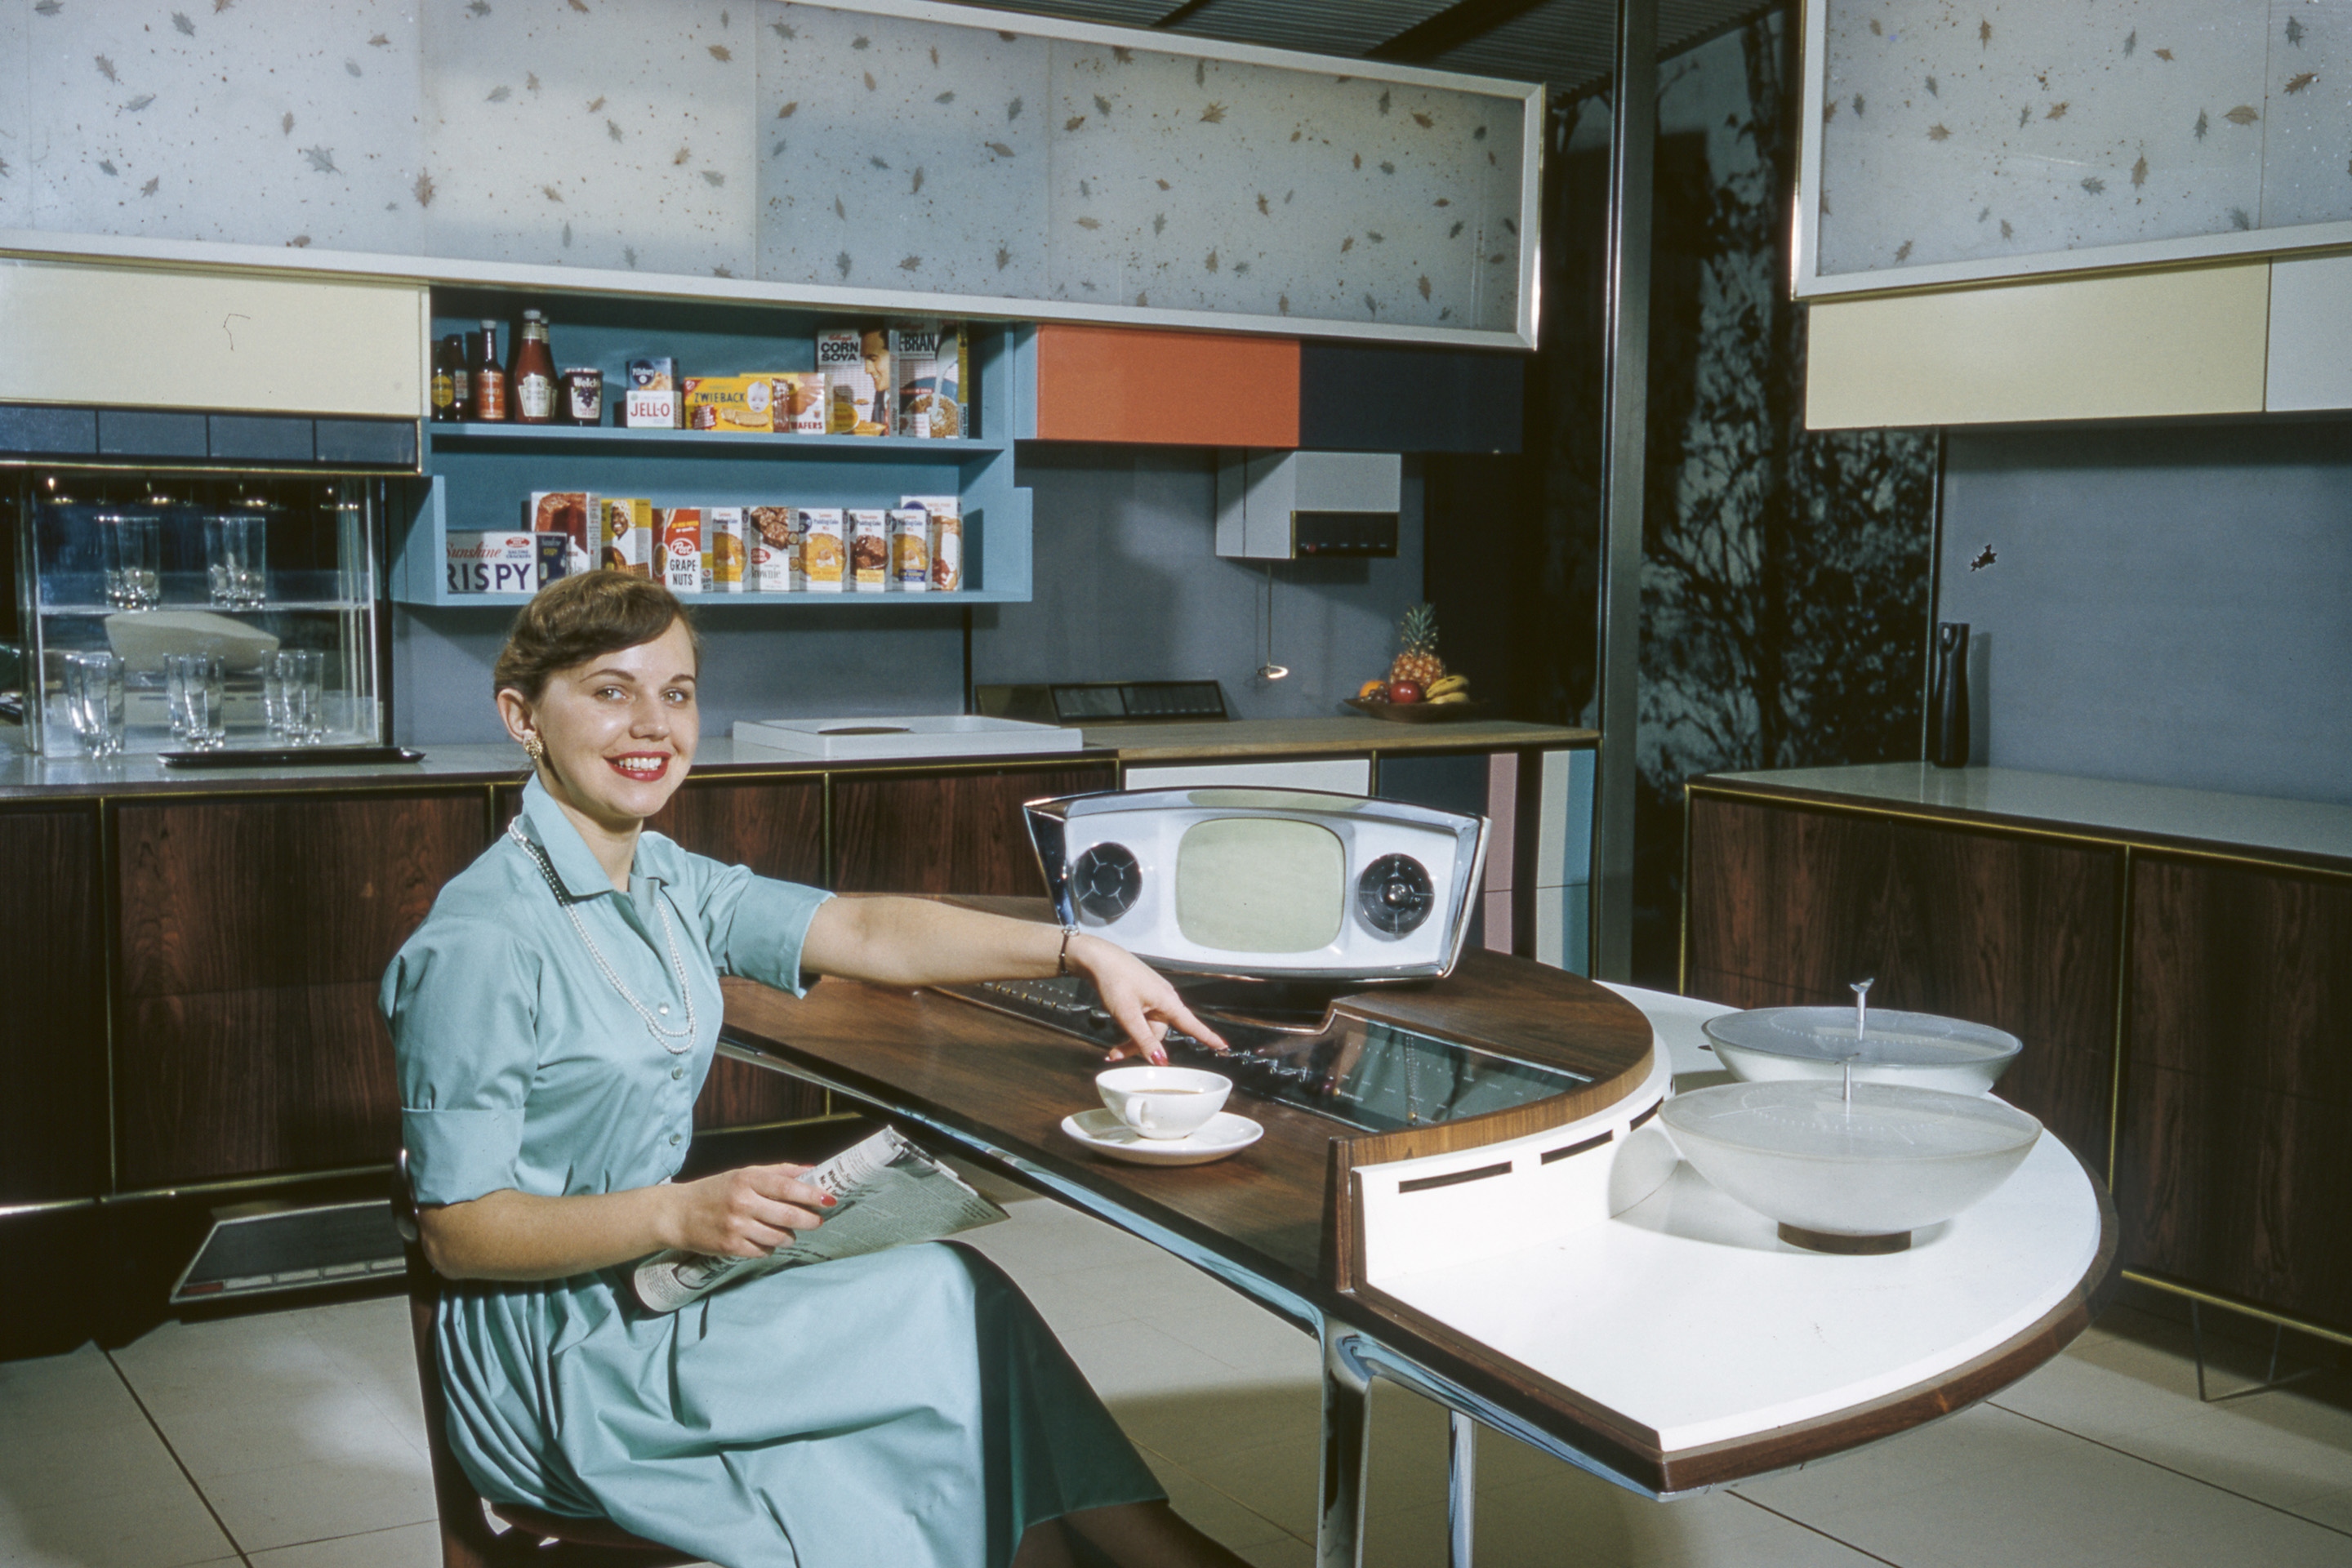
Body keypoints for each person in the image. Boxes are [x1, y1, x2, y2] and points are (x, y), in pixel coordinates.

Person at [381, 572, 1248, 1568]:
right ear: (522, 717)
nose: (651, 725)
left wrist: (1079, 949)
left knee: (956, 1306)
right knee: (946, 1317)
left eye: (678, 692)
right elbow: (458, 1232)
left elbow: (864, 928)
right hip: (565, 1367)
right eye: (610, 691)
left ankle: (1144, 1556)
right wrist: (678, 1213)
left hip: (659, 1292)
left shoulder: (660, 877)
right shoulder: (483, 941)